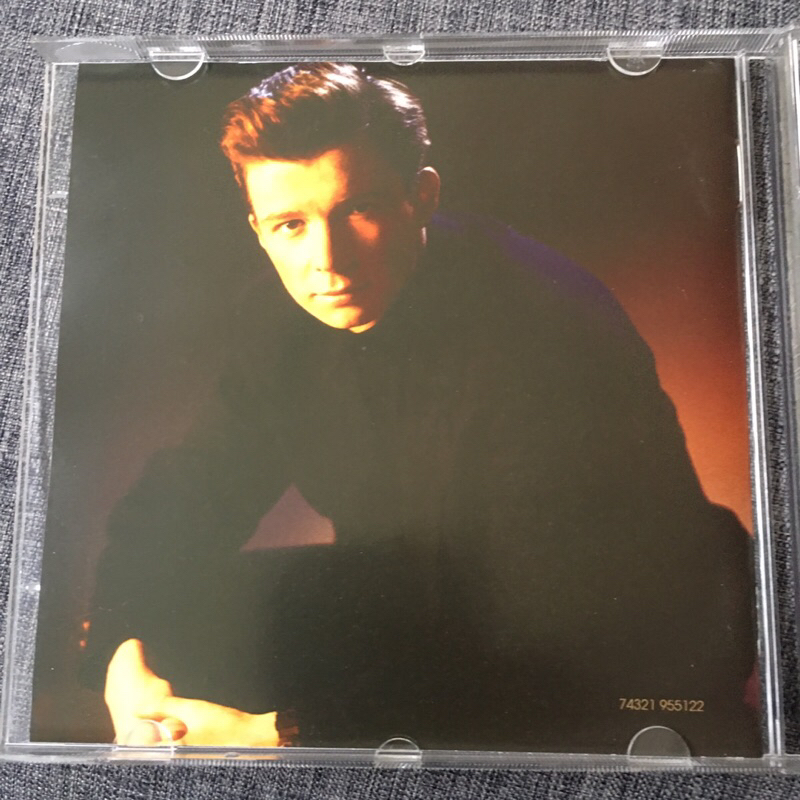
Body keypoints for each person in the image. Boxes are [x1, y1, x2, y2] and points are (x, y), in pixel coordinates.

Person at [84, 63, 759, 755]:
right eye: (292, 225)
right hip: (432, 605)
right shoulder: (277, 321)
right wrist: (124, 657)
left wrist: (272, 733)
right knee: (191, 612)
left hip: (615, 643)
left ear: (422, 196)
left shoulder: (548, 328)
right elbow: (187, 497)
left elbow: (544, 631)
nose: (327, 261)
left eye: (359, 210)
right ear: (258, 230)